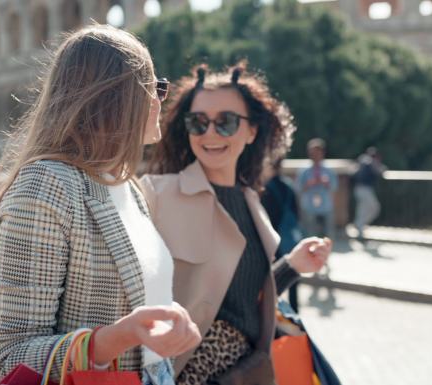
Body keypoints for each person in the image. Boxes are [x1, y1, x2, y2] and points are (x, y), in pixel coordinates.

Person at [0, 25, 200, 385]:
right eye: (155, 87)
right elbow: (14, 357)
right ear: (118, 97)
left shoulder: (127, 185)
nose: (161, 100)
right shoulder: (46, 185)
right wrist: (116, 338)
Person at [142, 64, 331, 384]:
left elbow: (241, 299)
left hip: (247, 373)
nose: (210, 133)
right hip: (185, 374)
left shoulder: (253, 202)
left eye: (225, 122)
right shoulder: (156, 194)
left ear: (252, 130)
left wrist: (292, 266)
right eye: (198, 123)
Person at [261, 157, 303, 312]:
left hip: (273, 237)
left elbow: (267, 217)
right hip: (289, 235)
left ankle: (273, 309)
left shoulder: (266, 189)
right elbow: (297, 211)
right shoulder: (288, 185)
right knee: (292, 270)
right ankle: (294, 308)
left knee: (275, 277)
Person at [296, 138, 338, 239]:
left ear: (322, 153)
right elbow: (297, 188)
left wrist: (326, 183)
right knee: (309, 234)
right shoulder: (304, 170)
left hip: (325, 205)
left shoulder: (329, 170)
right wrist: (308, 184)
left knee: (328, 234)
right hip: (309, 206)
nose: (314, 155)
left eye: (317, 153)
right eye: (312, 153)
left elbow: (334, 187)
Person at [352, 147, 385, 241]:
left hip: (363, 189)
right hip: (363, 189)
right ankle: (359, 227)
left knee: (365, 210)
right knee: (373, 208)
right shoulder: (367, 161)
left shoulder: (363, 161)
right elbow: (380, 170)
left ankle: (359, 227)